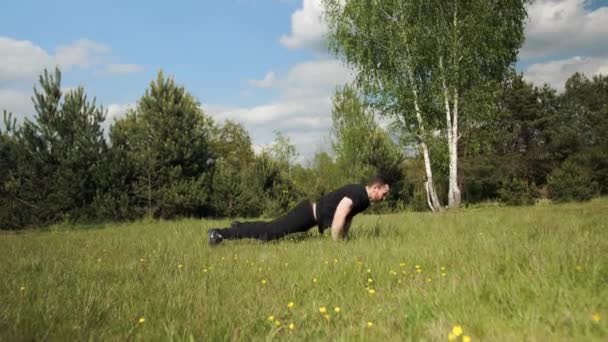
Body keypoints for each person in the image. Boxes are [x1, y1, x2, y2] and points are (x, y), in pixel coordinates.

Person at [207, 175, 390, 245]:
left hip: (310, 218)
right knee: (269, 232)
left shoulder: (363, 199)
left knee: (271, 234)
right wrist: (337, 243)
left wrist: (345, 238)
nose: (385, 197)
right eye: (384, 193)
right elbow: (342, 213)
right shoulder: (359, 193)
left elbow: (348, 218)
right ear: (375, 188)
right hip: (307, 214)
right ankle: (221, 233)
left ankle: (239, 228)